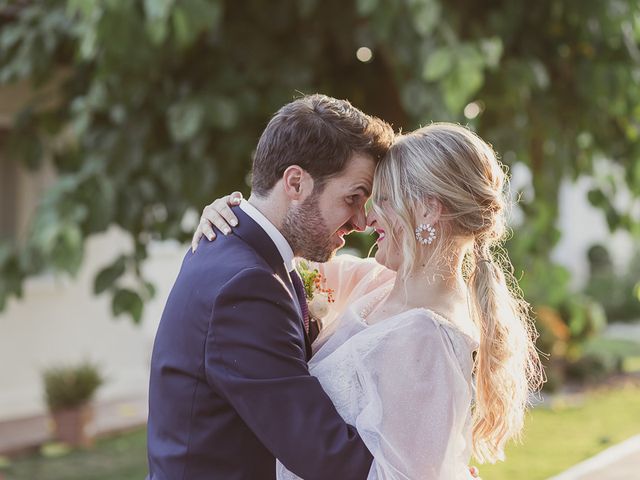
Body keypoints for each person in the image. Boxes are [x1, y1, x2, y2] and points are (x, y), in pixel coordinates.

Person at [195, 122, 544, 479]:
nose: (367, 219)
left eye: (385, 200)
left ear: (427, 211)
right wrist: (234, 218)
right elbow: (279, 256)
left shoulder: (425, 337)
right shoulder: (377, 283)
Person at [146, 94, 395, 479]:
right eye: (353, 198)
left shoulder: (242, 252)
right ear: (296, 182)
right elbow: (319, 448)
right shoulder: (246, 284)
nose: (361, 221)